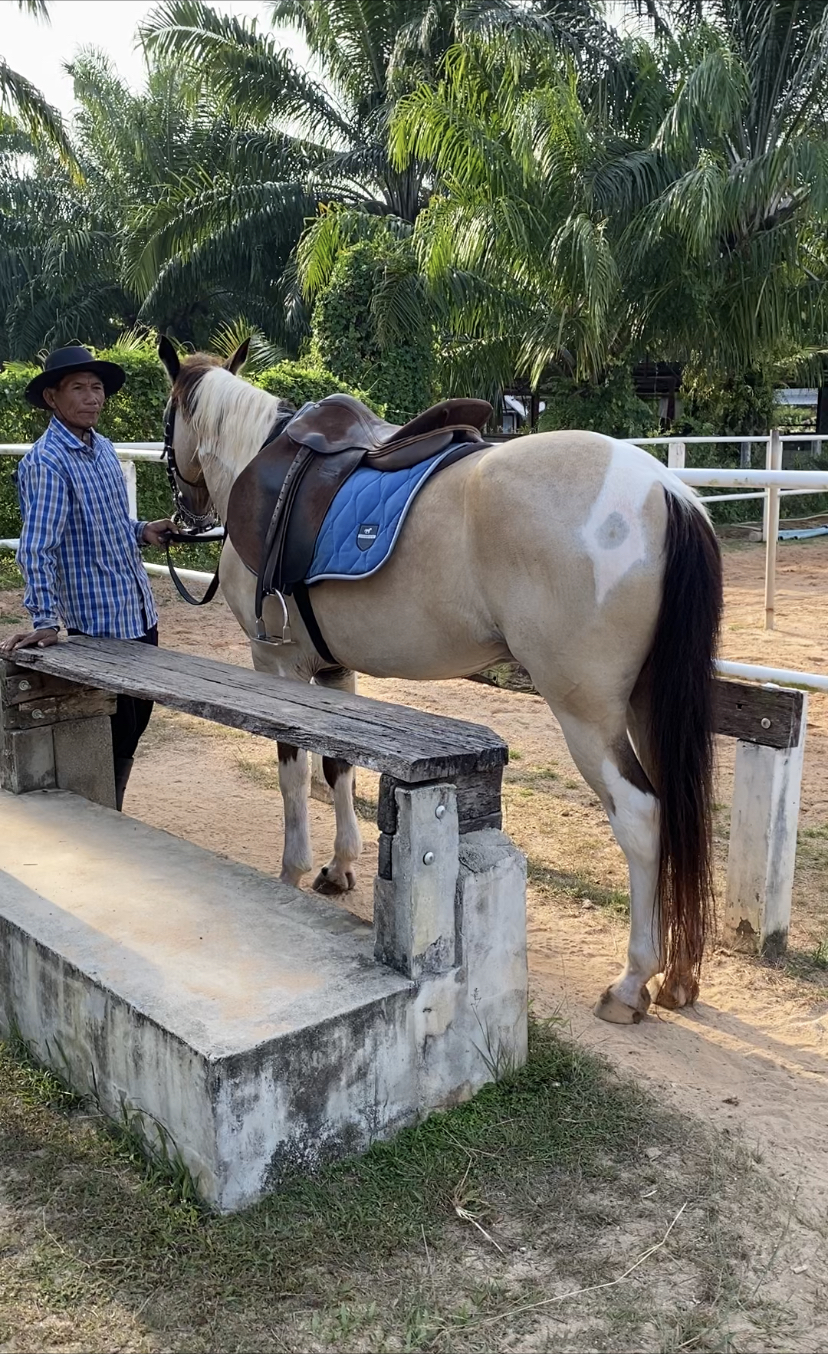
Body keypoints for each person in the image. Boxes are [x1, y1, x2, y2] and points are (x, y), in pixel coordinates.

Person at [0, 345, 175, 809]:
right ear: (52, 399)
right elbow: (38, 547)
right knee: (109, 735)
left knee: (135, 727)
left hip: (137, 614)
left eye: (96, 388)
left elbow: (109, 526)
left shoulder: (102, 450)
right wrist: (43, 619)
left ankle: (112, 809)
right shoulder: (47, 462)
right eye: (78, 387)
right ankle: (105, 818)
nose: (92, 397)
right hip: (95, 627)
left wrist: (143, 531)